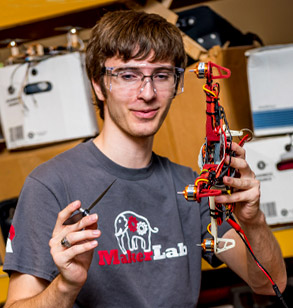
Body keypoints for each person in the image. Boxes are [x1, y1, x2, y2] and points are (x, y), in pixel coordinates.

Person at [3, 10, 287, 308]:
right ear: (99, 85)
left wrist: (252, 220)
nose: (148, 93)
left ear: (176, 85)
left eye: (161, 75)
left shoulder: (193, 186)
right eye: (128, 75)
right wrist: (66, 286)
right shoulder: (50, 185)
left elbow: (270, 284)